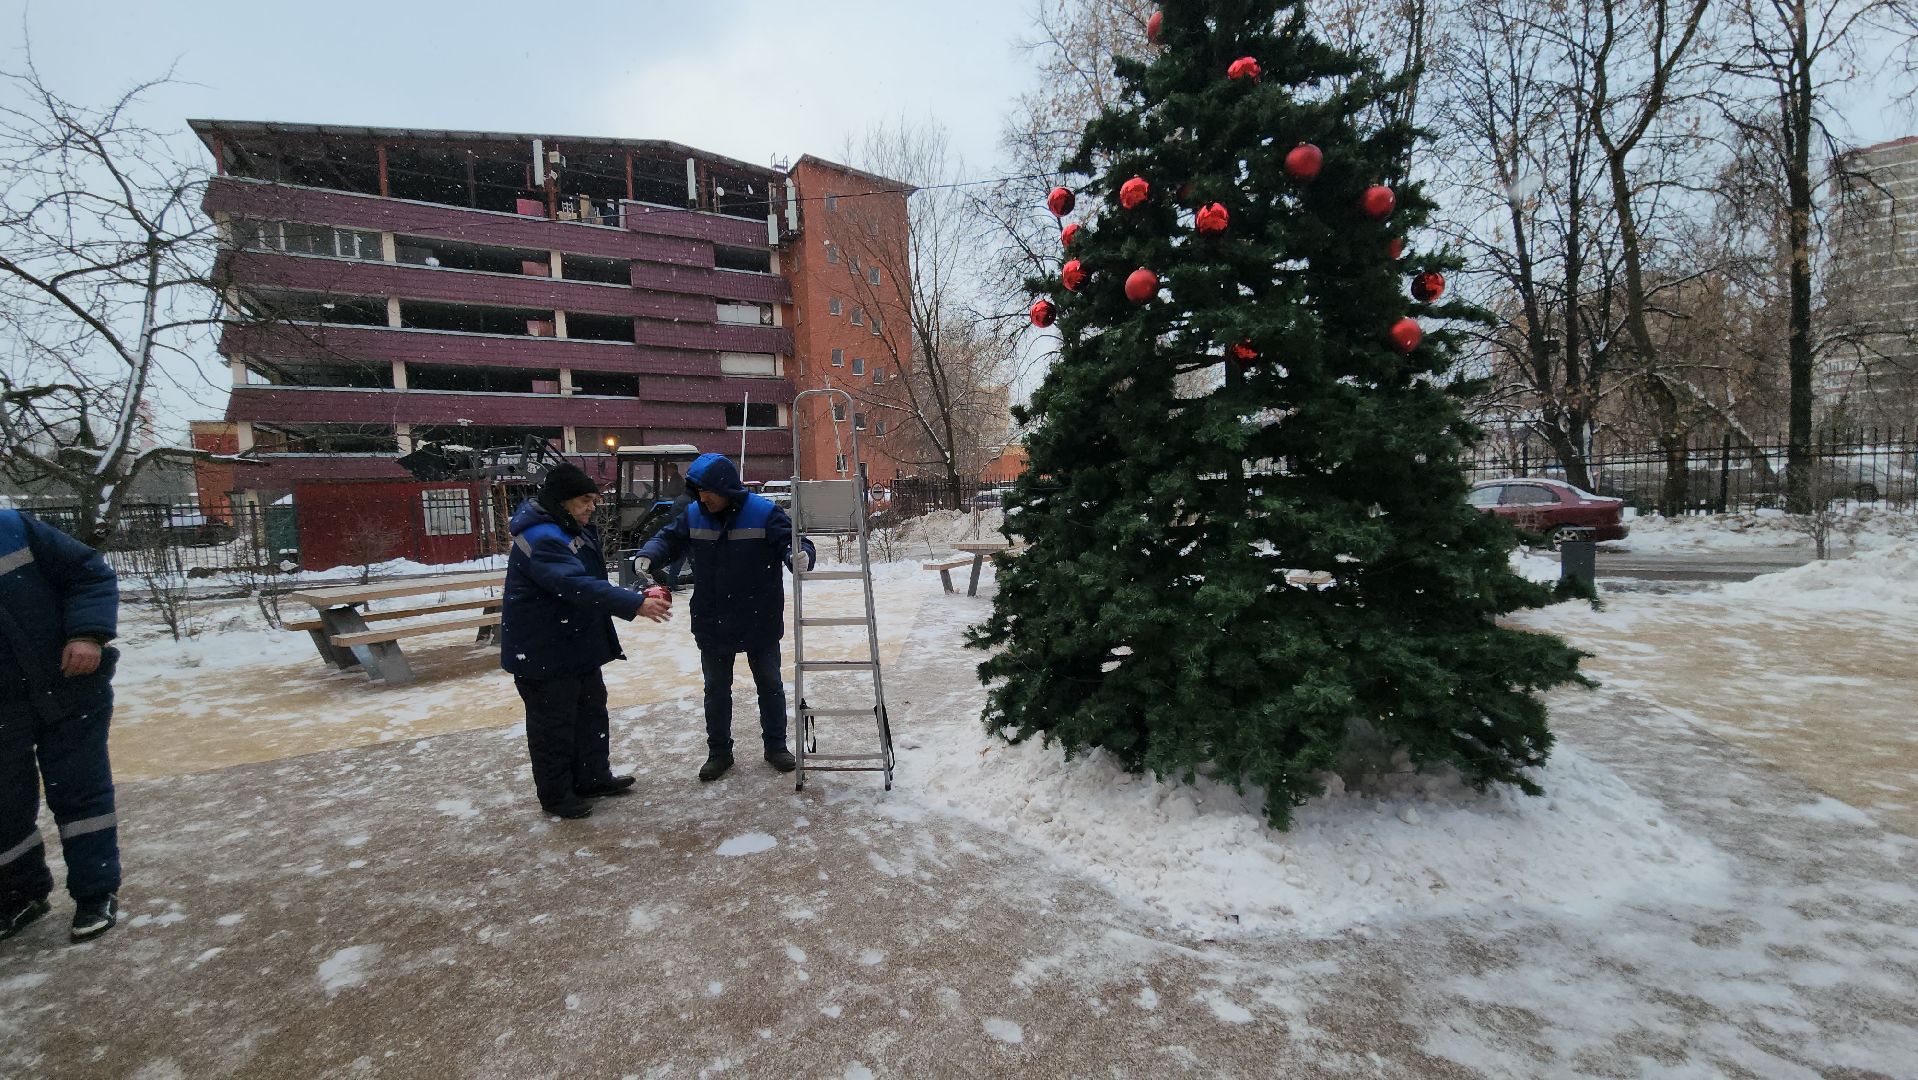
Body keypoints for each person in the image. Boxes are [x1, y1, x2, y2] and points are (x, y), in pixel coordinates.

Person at [503, 463, 672, 819]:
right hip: (544, 649)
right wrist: (633, 602)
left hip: (573, 643)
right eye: (584, 500)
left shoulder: (569, 527)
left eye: (594, 499)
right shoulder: (542, 537)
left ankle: (592, 777)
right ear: (562, 500)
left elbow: (588, 580)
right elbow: (573, 584)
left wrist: (627, 594)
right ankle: (557, 794)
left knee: (590, 713)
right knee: (554, 725)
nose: (592, 507)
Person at [634, 454, 815, 782]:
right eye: (698, 491)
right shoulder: (693, 515)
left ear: (725, 488)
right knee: (716, 689)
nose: (702, 498)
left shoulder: (763, 512)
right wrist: (648, 554)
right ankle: (719, 752)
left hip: (758, 615)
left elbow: (795, 542)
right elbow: (667, 539)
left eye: (708, 491)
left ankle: (776, 746)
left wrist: (800, 556)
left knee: (770, 685)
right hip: (712, 618)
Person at [0, 509, 123, 944]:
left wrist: (88, 634)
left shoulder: (11, 528)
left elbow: (89, 573)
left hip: (69, 685)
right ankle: (21, 896)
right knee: (4, 807)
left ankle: (96, 892)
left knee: (81, 792)